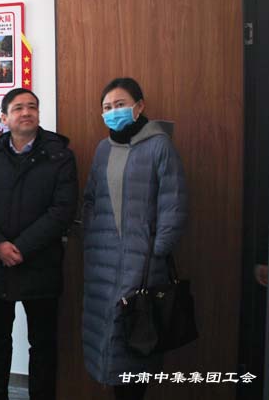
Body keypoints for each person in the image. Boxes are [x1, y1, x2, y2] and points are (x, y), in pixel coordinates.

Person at [0, 88, 78, 400]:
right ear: (5, 118)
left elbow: (62, 210)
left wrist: (21, 247)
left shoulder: (60, 155)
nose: (26, 112)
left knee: (42, 344)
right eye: (18, 108)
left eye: (32, 107)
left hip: (41, 264)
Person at [82, 78, 188, 400]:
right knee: (108, 340)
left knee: (134, 341)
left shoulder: (159, 146)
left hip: (142, 264)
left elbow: (174, 203)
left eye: (120, 104)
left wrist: (157, 251)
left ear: (139, 106)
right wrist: (92, 235)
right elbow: (91, 198)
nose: (113, 112)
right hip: (103, 263)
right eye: (107, 107)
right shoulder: (103, 149)